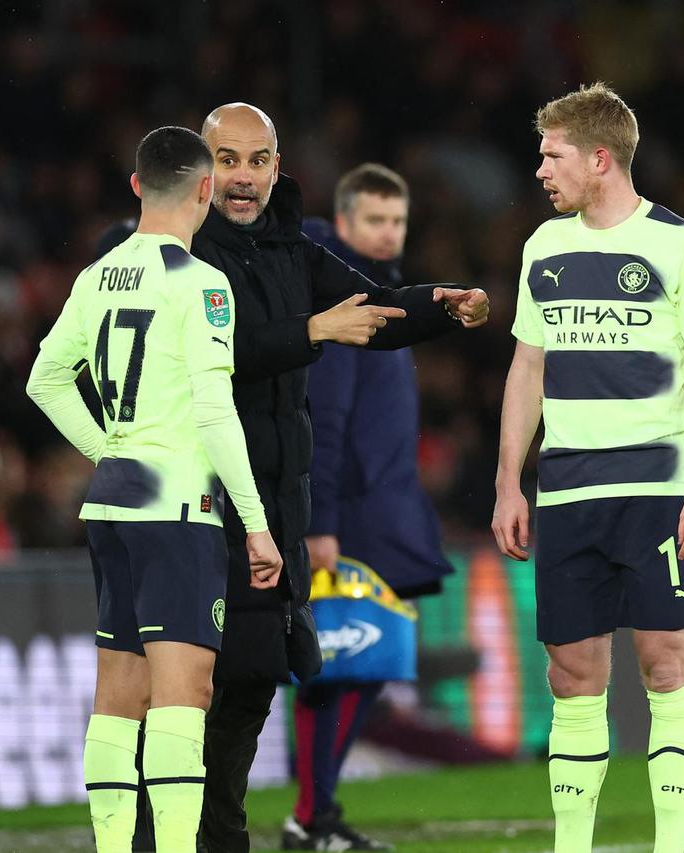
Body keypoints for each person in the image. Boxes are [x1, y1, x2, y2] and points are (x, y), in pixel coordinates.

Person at [187, 103, 489, 853]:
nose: (244, 176)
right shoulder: (182, 251)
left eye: (258, 160)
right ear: (202, 168)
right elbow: (211, 355)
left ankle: (217, 834)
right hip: (204, 501)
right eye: (228, 159)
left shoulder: (291, 249)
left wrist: (439, 305)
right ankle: (165, 833)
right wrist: (311, 330)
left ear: (278, 167)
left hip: (276, 504)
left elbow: (371, 304)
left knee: (255, 676)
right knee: (189, 687)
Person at [491, 82, 684, 853]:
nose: (541, 170)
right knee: (571, 674)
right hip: (567, 492)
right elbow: (527, 370)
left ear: (600, 159)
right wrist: (508, 483)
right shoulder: (544, 247)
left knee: (668, 664)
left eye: (553, 155)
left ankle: (669, 846)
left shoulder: (681, 245)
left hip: (658, 491)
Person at [26, 126, 284, 853]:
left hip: (113, 504)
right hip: (175, 508)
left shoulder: (96, 276)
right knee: (184, 694)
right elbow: (214, 410)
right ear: (205, 188)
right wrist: (256, 523)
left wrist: (109, 448)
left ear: (138, 185)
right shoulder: (201, 283)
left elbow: (45, 379)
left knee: (118, 695)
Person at [273, 163, 454, 851]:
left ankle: (315, 811)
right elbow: (326, 419)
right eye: (374, 220)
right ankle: (310, 815)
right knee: (339, 669)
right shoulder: (347, 302)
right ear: (344, 221)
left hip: (384, 511)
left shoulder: (379, 298)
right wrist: (321, 523)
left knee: (363, 670)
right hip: (353, 519)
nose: (387, 232)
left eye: (397, 220)